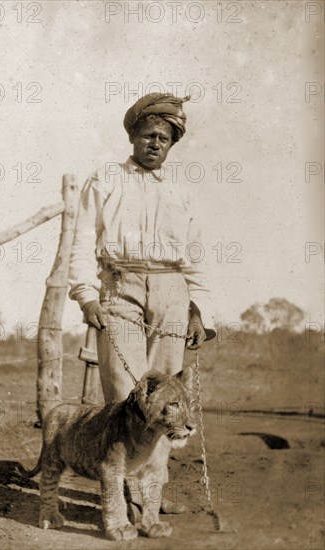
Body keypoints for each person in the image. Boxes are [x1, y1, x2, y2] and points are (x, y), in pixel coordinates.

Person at [69, 92, 216, 513]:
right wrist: (86, 294)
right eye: (148, 134)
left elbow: (196, 254)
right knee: (127, 394)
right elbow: (81, 243)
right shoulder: (104, 180)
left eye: (164, 139)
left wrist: (199, 310)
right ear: (133, 135)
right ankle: (126, 493)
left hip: (172, 292)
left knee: (169, 400)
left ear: (172, 145)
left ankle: (152, 495)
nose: (155, 143)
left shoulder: (182, 192)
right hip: (121, 288)